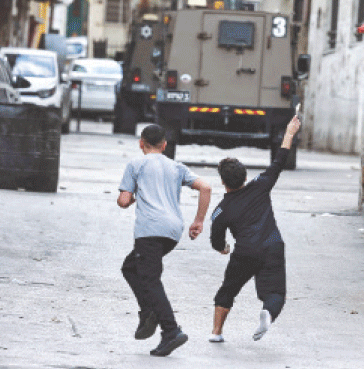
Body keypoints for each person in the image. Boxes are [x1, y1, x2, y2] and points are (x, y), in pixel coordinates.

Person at [117, 124, 212, 356]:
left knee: (149, 280)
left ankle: (170, 330)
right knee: (130, 268)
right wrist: (198, 221)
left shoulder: (136, 165)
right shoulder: (175, 166)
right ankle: (148, 311)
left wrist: (132, 196)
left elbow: (122, 200)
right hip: (172, 231)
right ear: (164, 145)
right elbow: (206, 187)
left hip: (149, 230)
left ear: (141, 143)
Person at [207, 115, 300, 343]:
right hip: (272, 247)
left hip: (245, 252)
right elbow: (279, 160)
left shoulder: (222, 209)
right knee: (275, 294)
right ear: (245, 177)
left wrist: (224, 248)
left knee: (227, 291)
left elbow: (216, 238)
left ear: (223, 182)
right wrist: (289, 133)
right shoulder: (260, 185)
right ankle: (268, 312)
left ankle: (216, 333)